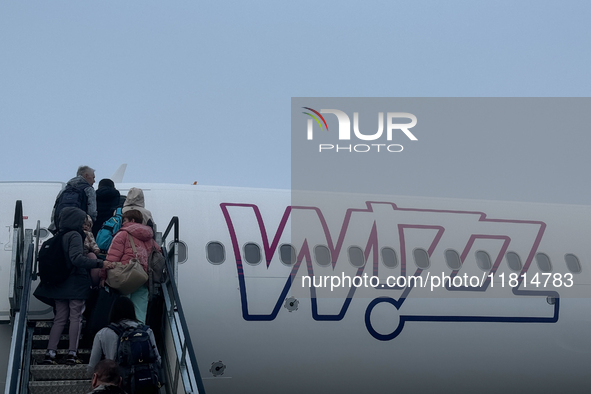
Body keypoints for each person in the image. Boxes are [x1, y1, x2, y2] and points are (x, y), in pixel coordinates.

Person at [34, 207, 115, 365]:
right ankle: (72, 353)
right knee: (75, 317)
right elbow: (77, 259)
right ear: (76, 221)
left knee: (59, 318)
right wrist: (100, 263)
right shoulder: (75, 235)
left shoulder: (58, 237)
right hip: (75, 284)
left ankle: (50, 353)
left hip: (59, 284)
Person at [87, 297, 161, 394]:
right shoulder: (146, 331)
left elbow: (92, 366)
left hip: (118, 385)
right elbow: (158, 360)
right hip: (145, 384)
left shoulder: (103, 333)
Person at [104, 209, 161, 323]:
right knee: (140, 312)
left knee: (123, 311)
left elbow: (112, 257)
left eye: (124, 220)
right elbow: (158, 255)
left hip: (126, 276)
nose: (122, 223)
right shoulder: (149, 238)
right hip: (142, 278)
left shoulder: (123, 234)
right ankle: (138, 335)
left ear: (132, 220)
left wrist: (103, 275)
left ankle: (124, 335)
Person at [49, 165, 97, 233]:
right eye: (93, 177)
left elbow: (54, 210)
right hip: (79, 228)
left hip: (61, 228)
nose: (94, 181)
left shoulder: (65, 189)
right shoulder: (89, 189)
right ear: (86, 176)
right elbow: (92, 212)